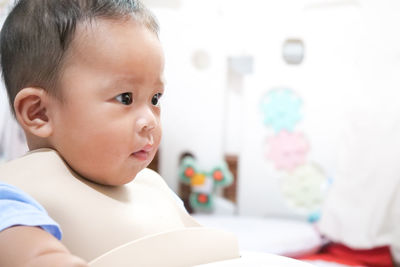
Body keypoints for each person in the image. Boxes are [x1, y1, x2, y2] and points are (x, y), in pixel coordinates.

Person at [0, 0, 200, 266]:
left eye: (155, 98)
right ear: (40, 113)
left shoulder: (156, 192)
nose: (149, 120)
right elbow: (33, 257)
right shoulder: (13, 200)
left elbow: (207, 248)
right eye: (125, 98)